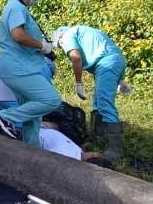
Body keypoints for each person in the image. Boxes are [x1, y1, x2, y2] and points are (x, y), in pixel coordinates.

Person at [0, 0, 61, 147]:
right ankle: (7, 117)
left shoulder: (16, 7)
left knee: (33, 115)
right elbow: (18, 35)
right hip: (20, 70)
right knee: (51, 100)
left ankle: (32, 149)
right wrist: (41, 46)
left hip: (19, 68)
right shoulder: (16, 8)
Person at [51, 25, 129, 161]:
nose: (63, 49)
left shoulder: (67, 36)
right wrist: (121, 80)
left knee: (105, 103)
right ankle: (96, 138)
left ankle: (115, 149)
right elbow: (111, 50)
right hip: (115, 61)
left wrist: (79, 84)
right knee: (97, 101)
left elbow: (76, 58)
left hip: (106, 64)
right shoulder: (83, 31)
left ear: (59, 39)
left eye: (60, 46)